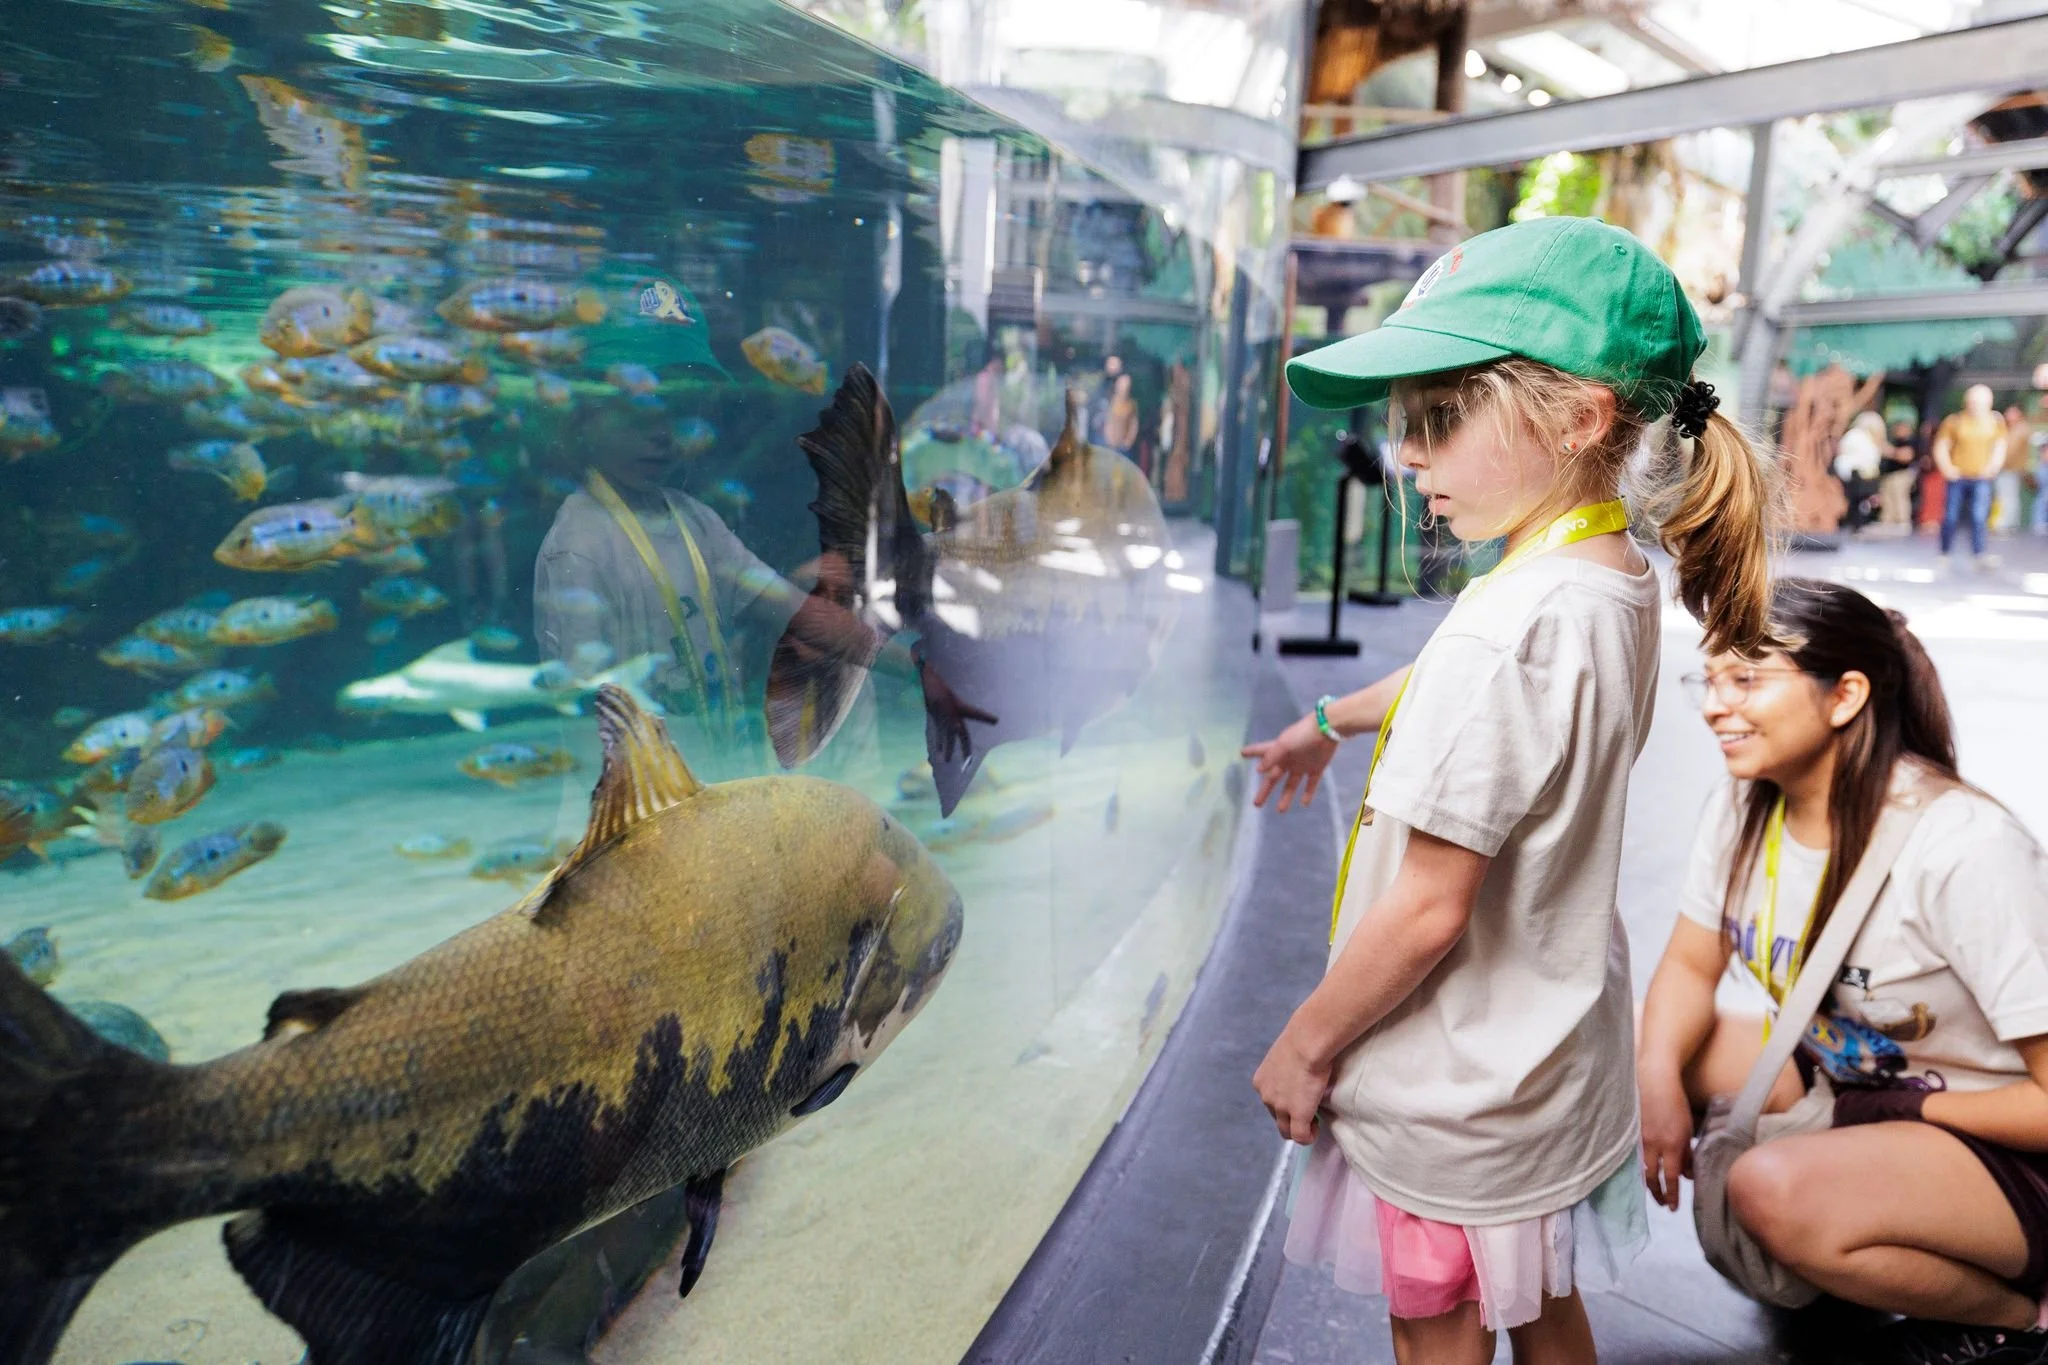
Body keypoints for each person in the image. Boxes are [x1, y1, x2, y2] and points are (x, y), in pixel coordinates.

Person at [1242, 217, 1776, 1365]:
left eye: (1437, 420)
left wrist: (1304, 1042)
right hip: (1543, 1051)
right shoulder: (1601, 578)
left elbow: (1431, 907)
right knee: (1536, 1308)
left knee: (1436, 1321)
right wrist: (1329, 719)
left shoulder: (1510, 627)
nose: (1410, 457)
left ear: (1578, 417)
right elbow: (1460, 686)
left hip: (1453, 1082)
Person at [1637, 579, 2048, 1364]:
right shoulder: (1746, 805)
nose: (1715, 705)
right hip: (1861, 1073)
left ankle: (2016, 1317)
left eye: (1747, 679)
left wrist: (1910, 1113)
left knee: (1767, 1188)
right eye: (1711, 678)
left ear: (1845, 694)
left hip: (2003, 1134)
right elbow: (1691, 966)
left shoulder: (1961, 847)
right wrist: (1658, 1082)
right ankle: (1862, 1260)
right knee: (1637, 1046)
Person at [534, 400, 987, 751]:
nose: (658, 438)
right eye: (636, 423)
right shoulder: (578, 542)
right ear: (585, 428)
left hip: (710, 761)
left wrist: (913, 667)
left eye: (666, 421)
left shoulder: (692, 518)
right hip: (636, 779)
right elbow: (578, 692)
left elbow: (793, 609)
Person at [1933, 385, 2007, 568]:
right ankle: (1945, 551)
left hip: (1981, 477)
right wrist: (1947, 468)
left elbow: (2000, 446)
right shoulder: (1955, 421)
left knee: (1979, 516)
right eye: (1973, 401)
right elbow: (1941, 446)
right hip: (1958, 476)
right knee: (1950, 516)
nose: (1976, 406)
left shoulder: (1995, 422)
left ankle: (1979, 553)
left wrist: (1993, 467)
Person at [1834, 410, 1886, 536]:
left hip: (1866, 473)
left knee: (1862, 501)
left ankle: (1859, 524)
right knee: (1856, 501)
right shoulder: (1855, 435)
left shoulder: (1865, 437)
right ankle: (1855, 525)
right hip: (1855, 473)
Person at [1880, 418, 1920, 533]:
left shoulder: (1909, 441)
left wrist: (1891, 452)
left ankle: (1903, 521)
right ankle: (1889, 520)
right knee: (1888, 498)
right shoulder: (1895, 441)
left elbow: (1907, 456)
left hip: (1902, 474)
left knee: (1900, 498)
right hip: (1890, 474)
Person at [1999, 405, 2031, 535]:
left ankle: (2006, 524)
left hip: (2011, 468)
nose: (2007, 415)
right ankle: (2011, 523)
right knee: (2009, 497)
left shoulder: (2020, 429)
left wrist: (1999, 463)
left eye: (2010, 413)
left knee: (2008, 497)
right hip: (2013, 468)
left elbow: (2010, 451)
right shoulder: (2014, 428)